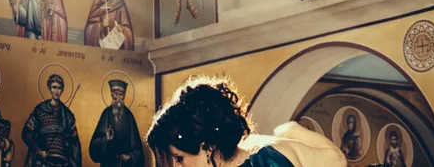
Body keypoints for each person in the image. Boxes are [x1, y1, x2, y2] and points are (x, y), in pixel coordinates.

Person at [146, 79, 343, 167]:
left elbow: (337, 161)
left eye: (179, 158)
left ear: (207, 148)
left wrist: (290, 131)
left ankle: (290, 129)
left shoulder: (266, 162)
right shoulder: (242, 151)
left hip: (328, 158)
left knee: (286, 129)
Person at [21, 74, 81, 167]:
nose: (56, 91)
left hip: (62, 162)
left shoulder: (68, 115)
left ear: (62, 90)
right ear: (49, 88)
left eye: (59, 88)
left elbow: (74, 143)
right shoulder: (40, 110)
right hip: (42, 162)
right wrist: (38, 151)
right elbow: (27, 133)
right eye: (54, 87)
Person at [88, 79, 143, 167]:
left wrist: (130, 156)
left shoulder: (129, 116)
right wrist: (105, 139)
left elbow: (137, 148)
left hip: (125, 164)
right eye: (116, 94)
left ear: (124, 96)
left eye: (121, 94)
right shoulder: (106, 113)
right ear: (112, 95)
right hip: (108, 163)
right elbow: (94, 144)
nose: (118, 98)